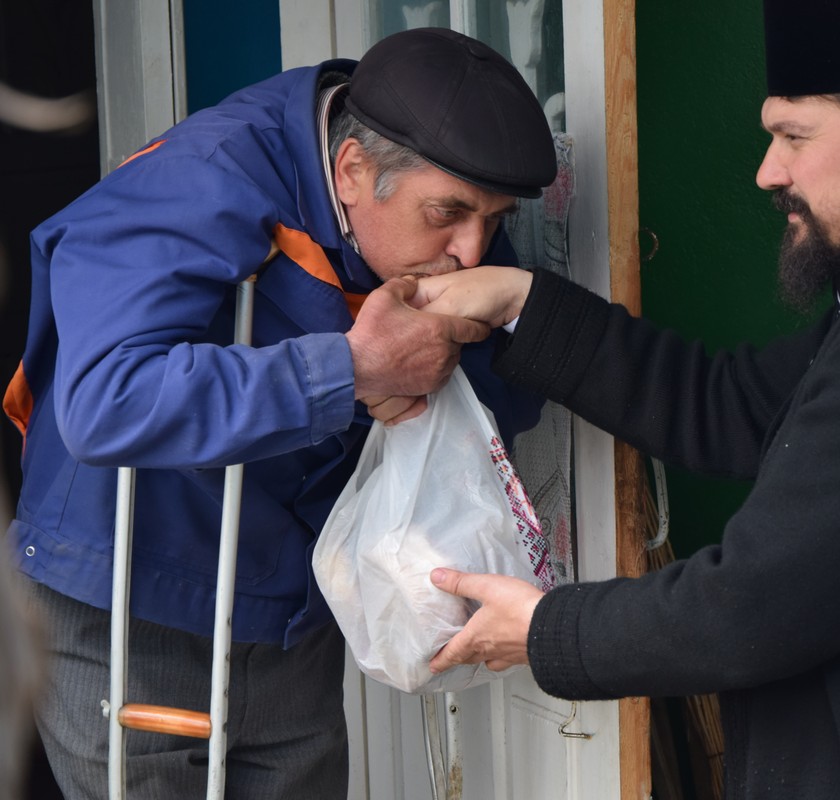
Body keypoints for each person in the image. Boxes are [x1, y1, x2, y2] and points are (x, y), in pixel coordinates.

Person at [410, 2, 840, 798]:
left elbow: (753, 605)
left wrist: (544, 630)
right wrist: (518, 300)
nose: (768, 172)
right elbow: (735, 405)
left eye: (794, 137)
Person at [3, 27, 555, 799]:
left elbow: (498, 391)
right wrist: (354, 369)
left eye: (493, 220)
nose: (472, 248)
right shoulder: (199, 180)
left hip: (286, 603)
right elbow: (105, 401)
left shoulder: (441, 191)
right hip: (128, 588)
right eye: (449, 213)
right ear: (352, 169)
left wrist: (427, 382)